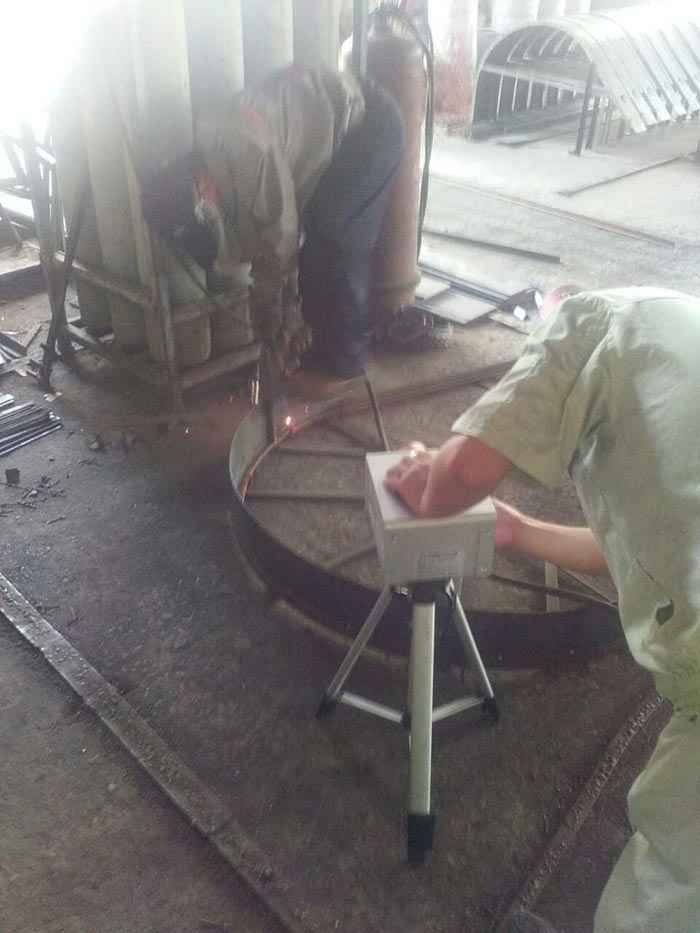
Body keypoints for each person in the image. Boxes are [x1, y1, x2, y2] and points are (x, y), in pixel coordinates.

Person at [384, 287, 700, 933]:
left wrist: (426, 474)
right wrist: (520, 530)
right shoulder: (677, 337)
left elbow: (461, 474)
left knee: (672, 890)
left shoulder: (587, 318)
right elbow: (644, 548)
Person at [142, 63, 405, 398]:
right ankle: (319, 355)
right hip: (336, 141)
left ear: (203, 188)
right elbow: (263, 244)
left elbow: (280, 237)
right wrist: (276, 311)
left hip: (370, 126)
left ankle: (347, 367)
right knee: (315, 251)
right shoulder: (210, 171)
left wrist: (271, 311)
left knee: (338, 239)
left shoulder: (246, 149)